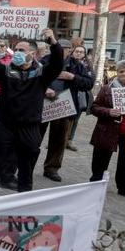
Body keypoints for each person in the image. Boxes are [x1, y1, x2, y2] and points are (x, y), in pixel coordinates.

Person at [0, 29, 63, 199]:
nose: (17, 53)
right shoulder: (6, 72)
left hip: (29, 128)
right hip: (5, 126)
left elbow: (57, 64)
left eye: (22, 50)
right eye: (16, 50)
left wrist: (53, 41)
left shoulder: (42, 74)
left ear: (33, 53)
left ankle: (24, 201)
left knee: (26, 168)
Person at [39, 39, 94, 182]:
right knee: (34, 137)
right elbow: (33, 78)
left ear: (70, 50)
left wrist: (73, 77)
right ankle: (26, 164)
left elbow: (88, 84)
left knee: (59, 140)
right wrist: (44, 88)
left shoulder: (77, 65)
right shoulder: (45, 60)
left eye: (66, 49)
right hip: (43, 104)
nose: (63, 51)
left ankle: (51, 169)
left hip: (64, 106)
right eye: (59, 48)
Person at [90, 59, 125, 196]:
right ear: (117, 73)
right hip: (108, 129)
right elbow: (94, 108)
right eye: (121, 71)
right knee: (101, 158)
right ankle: (96, 182)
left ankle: (123, 186)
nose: (124, 74)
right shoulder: (107, 88)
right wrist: (108, 112)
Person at [66, 45, 92, 150]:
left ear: (84, 54)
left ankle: (69, 140)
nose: (79, 53)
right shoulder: (67, 63)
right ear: (72, 52)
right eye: (77, 51)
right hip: (68, 94)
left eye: (81, 52)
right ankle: (57, 141)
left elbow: (91, 80)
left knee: (75, 119)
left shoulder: (87, 66)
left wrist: (75, 78)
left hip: (81, 96)